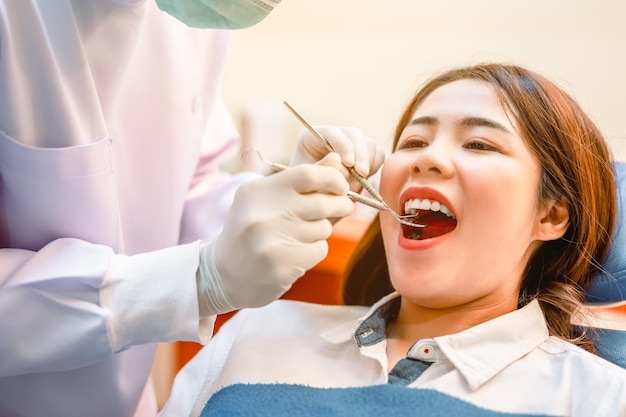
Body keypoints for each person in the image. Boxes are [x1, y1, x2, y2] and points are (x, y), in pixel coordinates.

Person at [159, 63, 626, 417]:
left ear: (551, 214)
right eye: (414, 142)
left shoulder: (597, 397)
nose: (429, 159)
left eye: (480, 144)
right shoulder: (256, 331)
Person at [0, 1, 385, 417]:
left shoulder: (187, 17)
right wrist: (200, 280)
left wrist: (286, 198)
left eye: (470, 143)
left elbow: (188, 186)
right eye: (418, 139)